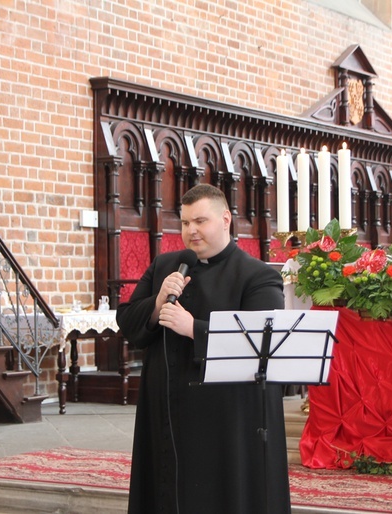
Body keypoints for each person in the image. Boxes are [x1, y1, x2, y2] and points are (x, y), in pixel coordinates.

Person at [116, 183, 290, 514]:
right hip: (168, 407)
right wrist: (156, 301)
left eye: (200, 221)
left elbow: (261, 342)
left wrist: (192, 328)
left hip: (228, 417)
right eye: (184, 223)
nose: (191, 231)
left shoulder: (258, 275)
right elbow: (127, 321)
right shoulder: (166, 266)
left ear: (225, 219)